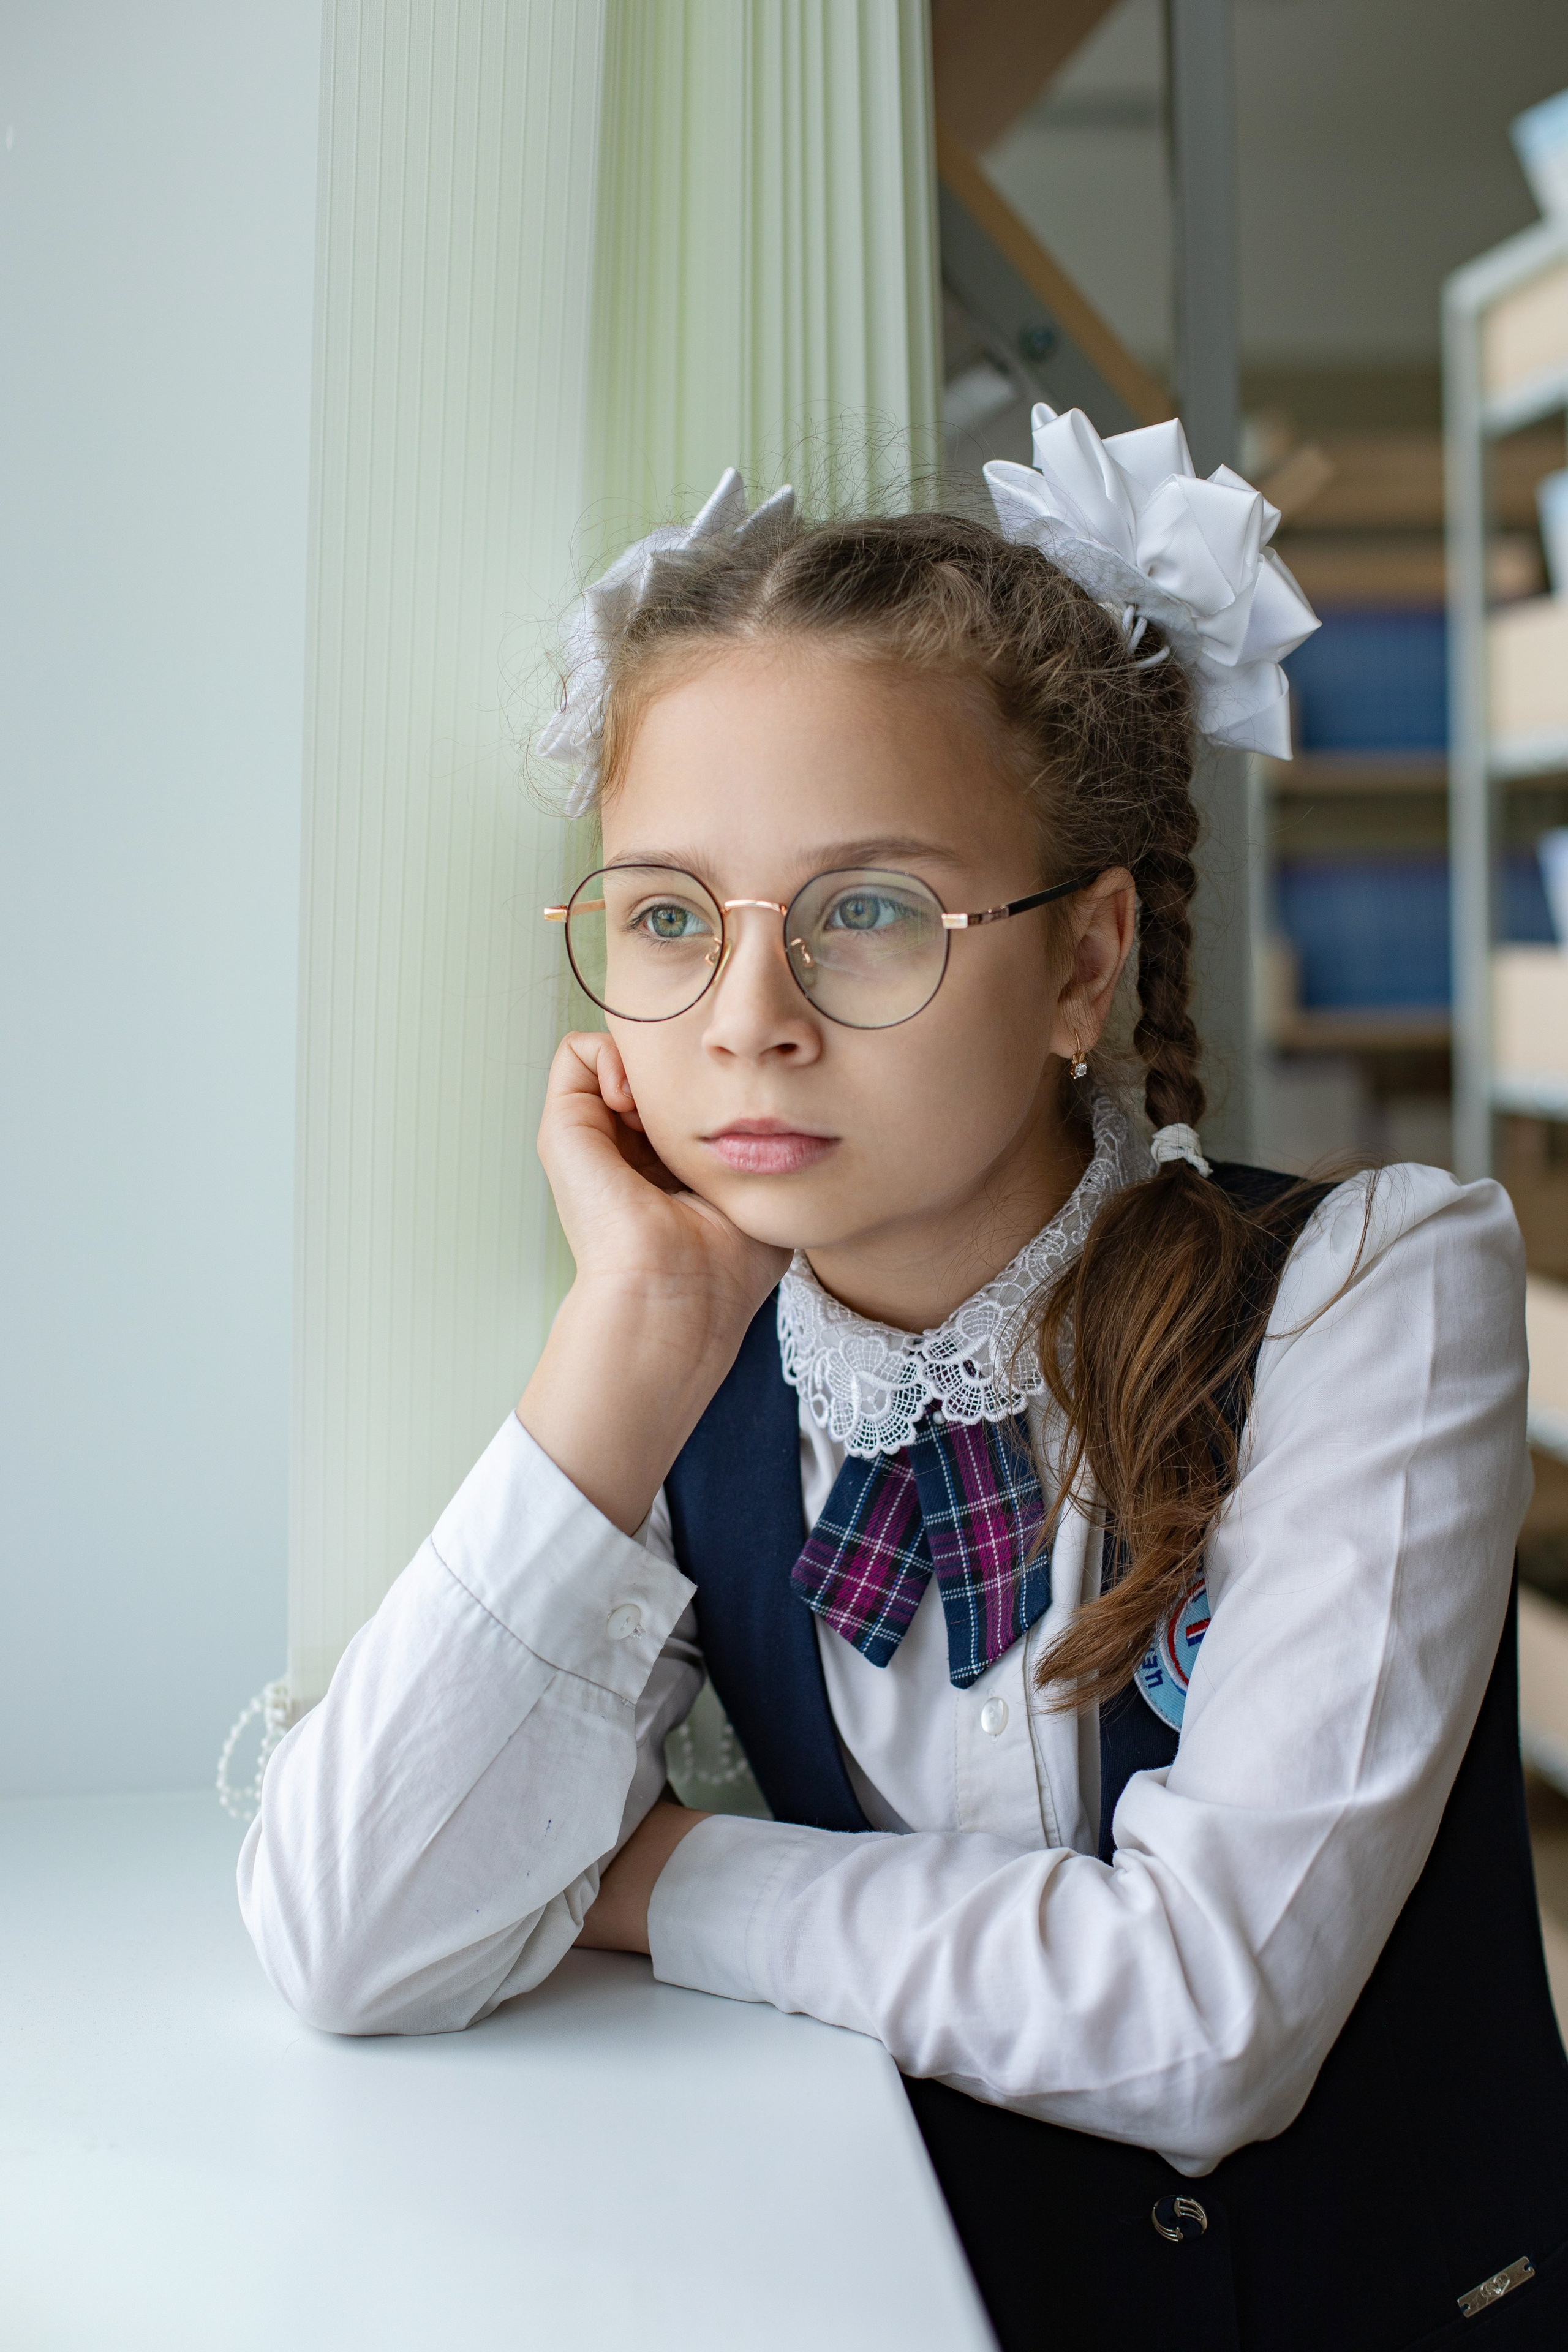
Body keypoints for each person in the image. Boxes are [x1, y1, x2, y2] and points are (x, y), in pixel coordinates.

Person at [240, 409, 1568, 2349]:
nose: (752, 1022)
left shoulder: (1370, 1289)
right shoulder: (698, 1353)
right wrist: (627, 1342)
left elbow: (1206, 2024)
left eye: (870, 913)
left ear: (1082, 966)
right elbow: (354, 1930)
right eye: (671, 921)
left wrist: (646, 1875)